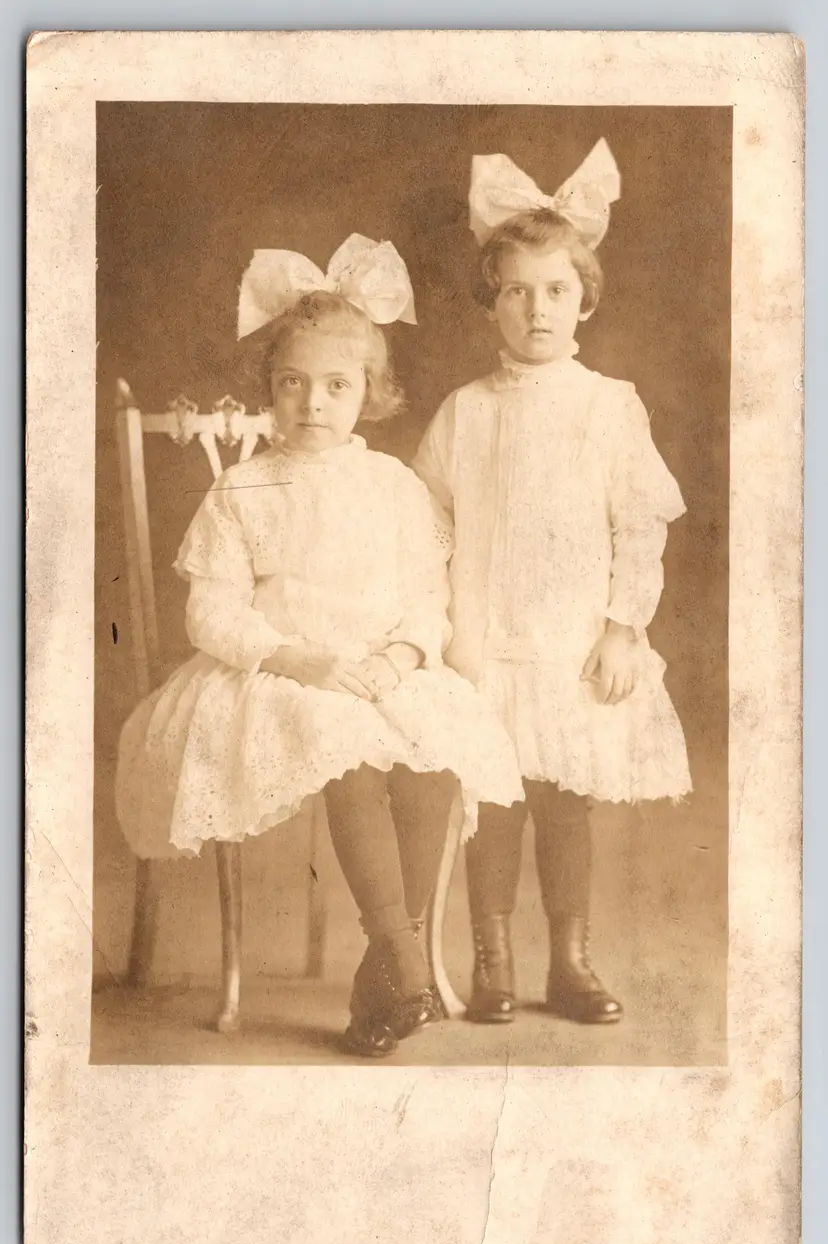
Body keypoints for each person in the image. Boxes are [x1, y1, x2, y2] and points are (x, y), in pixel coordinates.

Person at [116, 234, 523, 1058]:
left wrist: (404, 656)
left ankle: (387, 975)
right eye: (291, 384)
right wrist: (297, 659)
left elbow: (424, 597)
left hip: (378, 664)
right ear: (268, 389)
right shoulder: (242, 487)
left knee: (436, 741)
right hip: (278, 672)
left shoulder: (395, 486)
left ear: (369, 391)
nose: (311, 403)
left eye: (336, 386)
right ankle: (403, 954)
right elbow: (214, 614)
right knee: (346, 749)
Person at [412, 143, 692, 1026]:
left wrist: (622, 626)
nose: (538, 309)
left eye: (557, 290)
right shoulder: (466, 410)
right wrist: (436, 626)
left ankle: (569, 960)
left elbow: (639, 524)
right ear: (490, 303)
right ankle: (492, 962)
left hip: (572, 641)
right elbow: (427, 522)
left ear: (585, 298)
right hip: (485, 639)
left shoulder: (609, 404)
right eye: (517, 291)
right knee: (491, 802)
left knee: (564, 806)